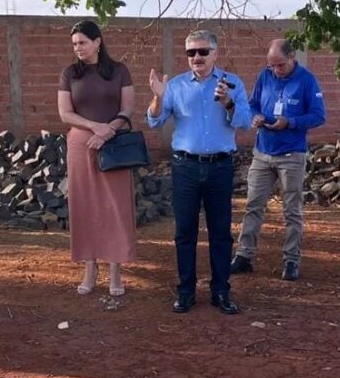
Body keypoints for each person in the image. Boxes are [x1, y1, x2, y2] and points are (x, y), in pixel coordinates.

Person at [147, 30, 251, 314]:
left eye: (203, 51)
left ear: (215, 54)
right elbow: (155, 121)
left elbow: (245, 122)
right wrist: (158, 98)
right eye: (191, 52)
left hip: (220, 166)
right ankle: (186, 291)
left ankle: (221, 291)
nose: (196, 57)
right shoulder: (176, 86)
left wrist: (228, 103)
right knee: (184, 232)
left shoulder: (232, 83)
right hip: (186, 167)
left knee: (220, 232)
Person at [230, 39, 326, 281]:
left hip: (291, 155)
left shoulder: (307, 80)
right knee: (253, 205)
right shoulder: (265, 76)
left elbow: (318, 115)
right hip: (262, 152)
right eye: (271, 65)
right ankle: (244, 255)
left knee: (291, 210)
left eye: (280, 65)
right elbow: (252, 104)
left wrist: (290, 122)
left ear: (292, 57)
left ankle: (291, 259)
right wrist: (256, 116)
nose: (276, 70)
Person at [57, 20, 136, 297]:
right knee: (85, 206)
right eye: (74, 44)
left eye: (82, 42)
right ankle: (89, 267)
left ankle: (115, 268)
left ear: (98, 42)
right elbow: (65, 114)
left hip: (114, 147)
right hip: (81, 146)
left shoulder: (119, 71)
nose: (78, 48)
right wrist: (95, 127)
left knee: (115, 206)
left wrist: (108, 131)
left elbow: (127, 109)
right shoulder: (69, 73)